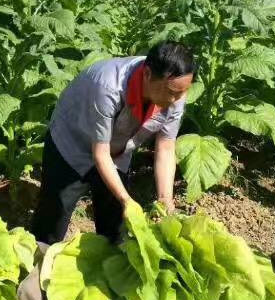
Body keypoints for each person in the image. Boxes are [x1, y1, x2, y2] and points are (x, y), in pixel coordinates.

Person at [30, 41, 196, 244]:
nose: (177, 99)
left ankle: (107, 268)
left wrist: (165, 198)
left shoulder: (176, 93)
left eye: (182, 92)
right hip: (72, 143)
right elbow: (100, 153)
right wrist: (127, 200)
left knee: (115, 224)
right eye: (172, 92)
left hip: (117, 149)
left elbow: (166, 146)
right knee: (54, 215)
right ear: (147, 74)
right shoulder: (108, 86)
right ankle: (37, 261)